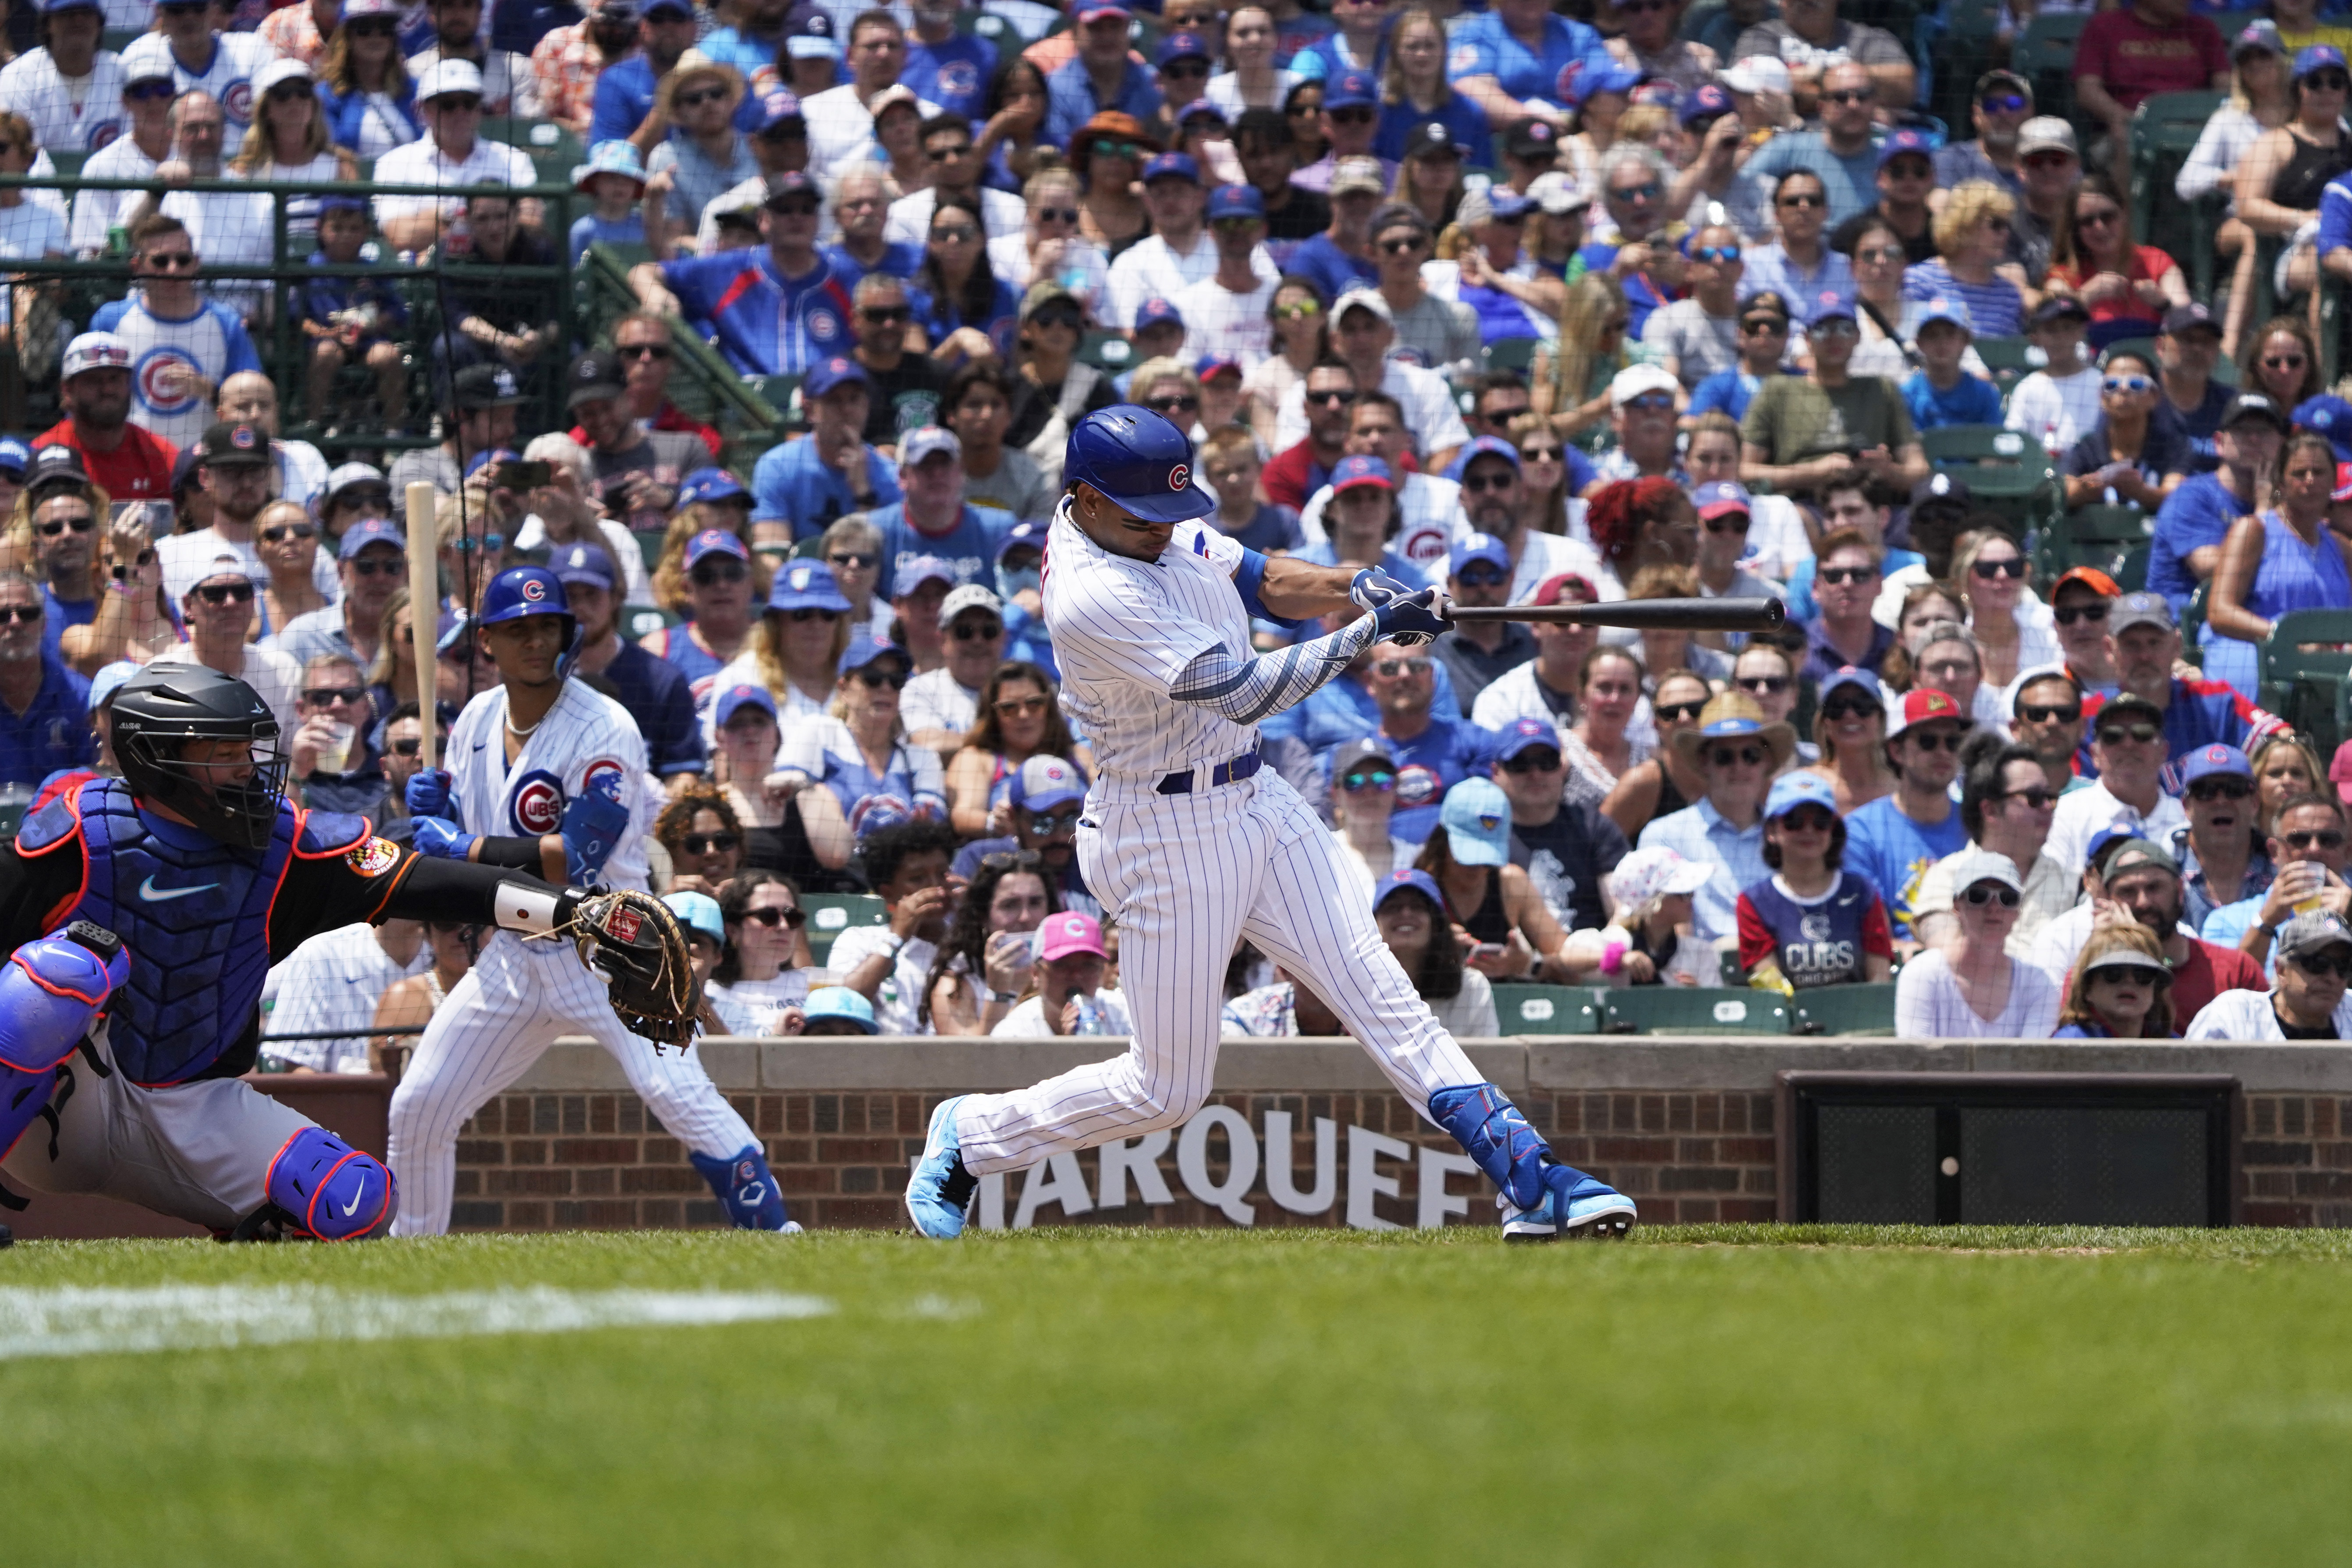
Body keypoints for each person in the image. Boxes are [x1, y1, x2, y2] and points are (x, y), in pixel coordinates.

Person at [901, 405, 1636, 1242]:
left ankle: (1531, 1178)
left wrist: (1353, 581)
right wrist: (1368, 632)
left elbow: (1257, 576)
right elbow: (1245, 689)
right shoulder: (1090, 593)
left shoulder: (1146, 520)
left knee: (1383, 996)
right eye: (1148, 516)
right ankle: (969, 1136)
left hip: (1255, 795)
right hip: (1162, 830)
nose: (1167, 530)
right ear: (1085, 500)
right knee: (1166, 1089)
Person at [385, 567, 801, 1238]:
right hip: (515, 954)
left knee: (676, 1091)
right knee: (419, 1105)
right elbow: (474, 821)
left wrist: (457, 844)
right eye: (516, 629)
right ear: (486, 640)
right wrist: (438, 807)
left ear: (567, 634)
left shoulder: (606, 725)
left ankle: (779, 1236)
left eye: (546, 625)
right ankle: (404, 1254)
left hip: (611, 944)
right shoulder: (474, 720)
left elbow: (571, 856)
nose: (533, 640)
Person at [629, 172, 851, 378]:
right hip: (750, 408)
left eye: (806, 210)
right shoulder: (728, 270)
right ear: (764, 220)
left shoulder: (844, 272)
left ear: (818, 219)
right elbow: (642, 270)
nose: (797, 217)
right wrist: (655, 294)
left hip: (828, 400)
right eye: (785, 209)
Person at [1740, 294, 1928, 505]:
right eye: (1821, 329)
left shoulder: (1882, 389)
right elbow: (1744, 470)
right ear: (1807, 339)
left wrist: (1888, 472)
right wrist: (1813, 473)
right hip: (1803, 505)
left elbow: (1919, 470)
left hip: (1873, 505)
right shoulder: (1778, 389)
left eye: (1844, 328)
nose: (1834, 338)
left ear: (1858, 336)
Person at [2206, 431, 2352, 700]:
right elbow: (2219, 612)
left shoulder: (2342, 548)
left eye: (2319, 472)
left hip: (2329, 673)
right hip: (2261, 663)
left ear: (2333, 482)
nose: (2310, 481)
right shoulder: (2252, 531)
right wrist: (2287, 639)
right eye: (2299, 473)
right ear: (2281, 483)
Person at [1734, 770, 1894, 991]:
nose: (1809, 830)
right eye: (1794, 821)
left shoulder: (1862, 893)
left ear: (1833, 828)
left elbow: (1879, 983)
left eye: (1821, 821)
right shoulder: (1754, 902)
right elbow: (1771, 988)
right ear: (1772, 831)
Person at [1841, 688, 1971, 945]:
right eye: (1928, 741)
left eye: (1953, 742)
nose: (1943, 752)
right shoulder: (1860, 831)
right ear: (1896, 751)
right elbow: (1865, 931)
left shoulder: (1978, 824)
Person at [1894, 846, 2063, 1036]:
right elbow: (1918, 1060)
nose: (1994, 908)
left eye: (2007, 898)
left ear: (2018, 911)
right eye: (1979, 896)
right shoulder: (1921, 975)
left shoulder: (2039, 984)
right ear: (1957, 905)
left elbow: (2030, 1063)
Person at [2149, 391, 2288, 615]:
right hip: (2188, 630)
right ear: (2219, 443)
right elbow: (2211, 569)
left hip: (2260, 623)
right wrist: (2264, 514)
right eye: (2242, 431)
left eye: (2264, 432)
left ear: (2281, 444)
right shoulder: (2191, 496)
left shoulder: (2291, 500)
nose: (2254, 439)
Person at [2201, 790, 2352, 968]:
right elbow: (2227, 987)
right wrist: (2265, 924)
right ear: (2274, 851)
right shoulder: (2227, 920)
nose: (2314, 849)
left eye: (2328, 840)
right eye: (2299, 839)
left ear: (2347, 852)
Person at [2047, 692, 2187, 874]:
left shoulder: (2187, 818)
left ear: (2164, 751)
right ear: (2095, 755)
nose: (2128, 744)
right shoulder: (2066, 814)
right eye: (2113, 735)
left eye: (2142, 733)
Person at [2185, 911, 2352, 1038]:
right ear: (2281, 970)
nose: (2332, 977)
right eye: (2318, 964)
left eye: (2343, 966)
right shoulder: (2233, 1015)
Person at [990, 910, 1135, 1038]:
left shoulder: (1127, 1013)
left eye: (1089, 966)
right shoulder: (1014, 1033)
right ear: (1036, 974)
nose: (1076, 975)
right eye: (1061, 965)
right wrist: (1069, 1049)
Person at [705, 870, 812, 1036]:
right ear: (733, 930)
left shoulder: (814, 986)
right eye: (768, 916)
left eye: (792, 917)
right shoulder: (710, 998)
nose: (783, 926)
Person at [2053, 925, 2176, 1038]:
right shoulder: (2070, 1042)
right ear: (2087, 989)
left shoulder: (2171, 1046)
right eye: (2113, 973)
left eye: (2143, 975)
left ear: (2156, 991)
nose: (2129, 981)